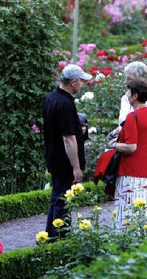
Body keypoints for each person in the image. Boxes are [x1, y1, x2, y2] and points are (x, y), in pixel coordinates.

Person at [42, 64, 92, 238]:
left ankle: (50, 236)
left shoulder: (52, 98)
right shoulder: (65, 103)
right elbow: (68, 138)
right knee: (64, 200)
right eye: (81, 81)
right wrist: (76, 167)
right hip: (64, 161)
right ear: (73, 82)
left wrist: (78, 129)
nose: (82, 84)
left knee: (57, 198)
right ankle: (61, 239)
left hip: (53, 156)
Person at [107, 78, 147, 229]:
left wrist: (114, 144)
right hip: (146, 168)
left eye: (128, 92)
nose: (127, 95)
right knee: (143, 208)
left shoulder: (132, 116)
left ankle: (125, 241)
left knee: (127, 210)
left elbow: (131, 147)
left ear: (135, 96)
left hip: (130, 170)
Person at [108, 61, 147, 139]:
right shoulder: (125, 98)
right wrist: (114, 133)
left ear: (139, 80)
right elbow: (123, 124)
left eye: (129, 79)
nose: (125, 82)